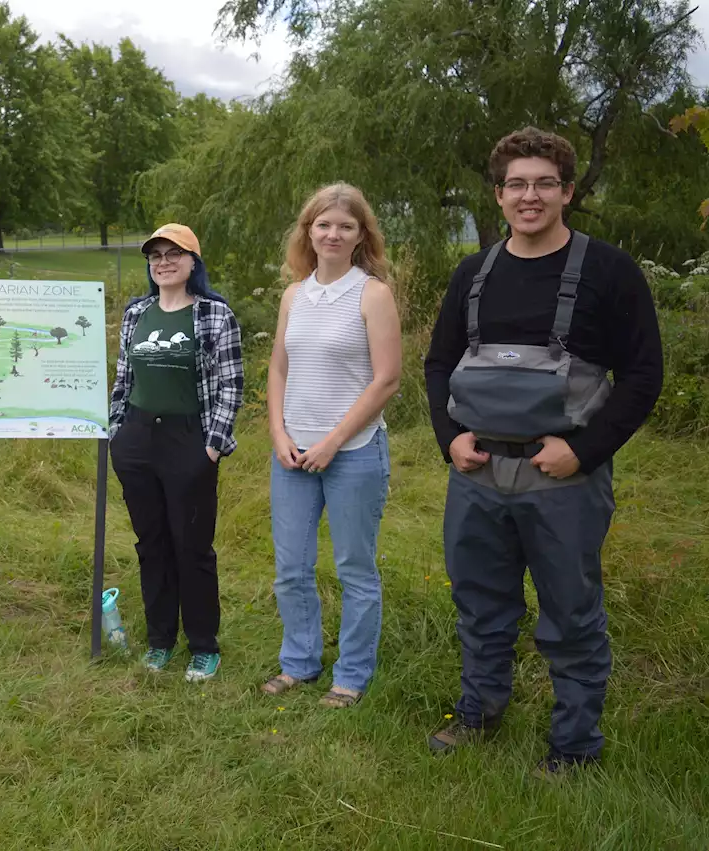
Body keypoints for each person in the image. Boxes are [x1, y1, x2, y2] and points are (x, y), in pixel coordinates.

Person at [423, 127, 663, 776]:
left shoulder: (610, 272)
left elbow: (644, 376)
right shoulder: (473, 274)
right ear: (498, 196)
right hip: (476, 475)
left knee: (571, 614)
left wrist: (584, 453)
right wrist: (451, 441)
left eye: (544, 183)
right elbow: (440, 363)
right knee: (480, 602)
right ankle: (479, 712)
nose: (530, 196)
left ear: (568, 190)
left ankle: (575, 746)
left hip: (562, 479)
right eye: (517, 185)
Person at [260, 184, 401, 708]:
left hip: (355, 452)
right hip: (292, 452)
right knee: (291, 567)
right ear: (309, 232)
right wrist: (278, 431)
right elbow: (279, 365)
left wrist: (333, 442)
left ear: (361, 234)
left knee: (354, 569)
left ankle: (353, 674)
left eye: (345, 226)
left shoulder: (372, 295)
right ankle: (299, 661)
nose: (333, 234)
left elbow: (387, 380)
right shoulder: (294, 295)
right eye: (323, 225)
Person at [108, 223, 244, 682]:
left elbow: (231, 386)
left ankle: (204, 646)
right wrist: (117, 432)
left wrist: (212, 447)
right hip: (138, 439)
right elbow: (124, 379)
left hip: (189, 441)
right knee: (152, 546)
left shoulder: (213, 316)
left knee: (193, 548)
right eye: (155, 255)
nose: (163, 262)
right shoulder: (136, 314)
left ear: (193, 262)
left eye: (174, 253)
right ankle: (160, 641)